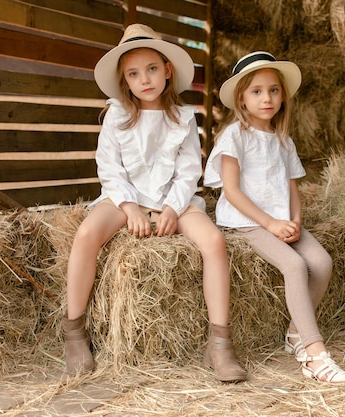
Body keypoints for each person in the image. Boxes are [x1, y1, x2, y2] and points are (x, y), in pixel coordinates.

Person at [62, 24, 247, 383]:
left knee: (214, 242)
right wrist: (129, 206)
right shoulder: (116, 115)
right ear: (125, 82)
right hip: (125, 198)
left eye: (150, 69)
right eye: (133, 73)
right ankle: (74, 333)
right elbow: (109, 167)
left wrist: (172, 209)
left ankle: (220, 343)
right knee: (86, 234)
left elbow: (188, 170)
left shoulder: (184, 118)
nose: (144, 79)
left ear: (167, 70)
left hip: (172, 201)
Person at [204, 51, 345, 384]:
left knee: (322, 263)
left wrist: (295, 220)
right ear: (241, 98)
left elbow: (292, 190)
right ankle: (315, 356)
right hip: (246, 222)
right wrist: (269, 224)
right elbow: (232, 191)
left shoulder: (284, 141)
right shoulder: (234, 137)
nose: (266, 98)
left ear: (282, 95)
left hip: (281, 221)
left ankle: (295, 334)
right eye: (256, 91)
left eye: (273, 90)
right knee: (295, 266)